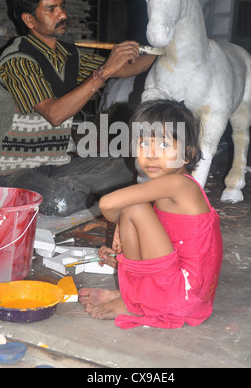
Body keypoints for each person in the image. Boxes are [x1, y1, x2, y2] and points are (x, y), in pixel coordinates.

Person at [0, 0, 156, 216]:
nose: (62, 14)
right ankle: (80, 196)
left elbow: (127, 69)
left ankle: (80, 195)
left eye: (61, 6)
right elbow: (55, 114)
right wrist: (103, 73)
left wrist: (168, 51)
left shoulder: (68, 55)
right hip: (11, 173)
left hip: (56, 165)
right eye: (51, 9)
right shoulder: (17, 61)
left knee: (131, 166)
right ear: (29, 20)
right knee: (61, 200)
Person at [79, 99, 223, 329]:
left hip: (181, 296)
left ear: (187, 154)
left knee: (133, 207)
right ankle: (134, 296)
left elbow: (107, 204)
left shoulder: (178, 185)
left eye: (163, 145)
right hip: (187, 293)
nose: (151, 155)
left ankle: (135, 303)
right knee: (132, 209)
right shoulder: (173, 183)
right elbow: (164, 240)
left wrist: (123, 221)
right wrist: (125, 232)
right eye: (144, 143)